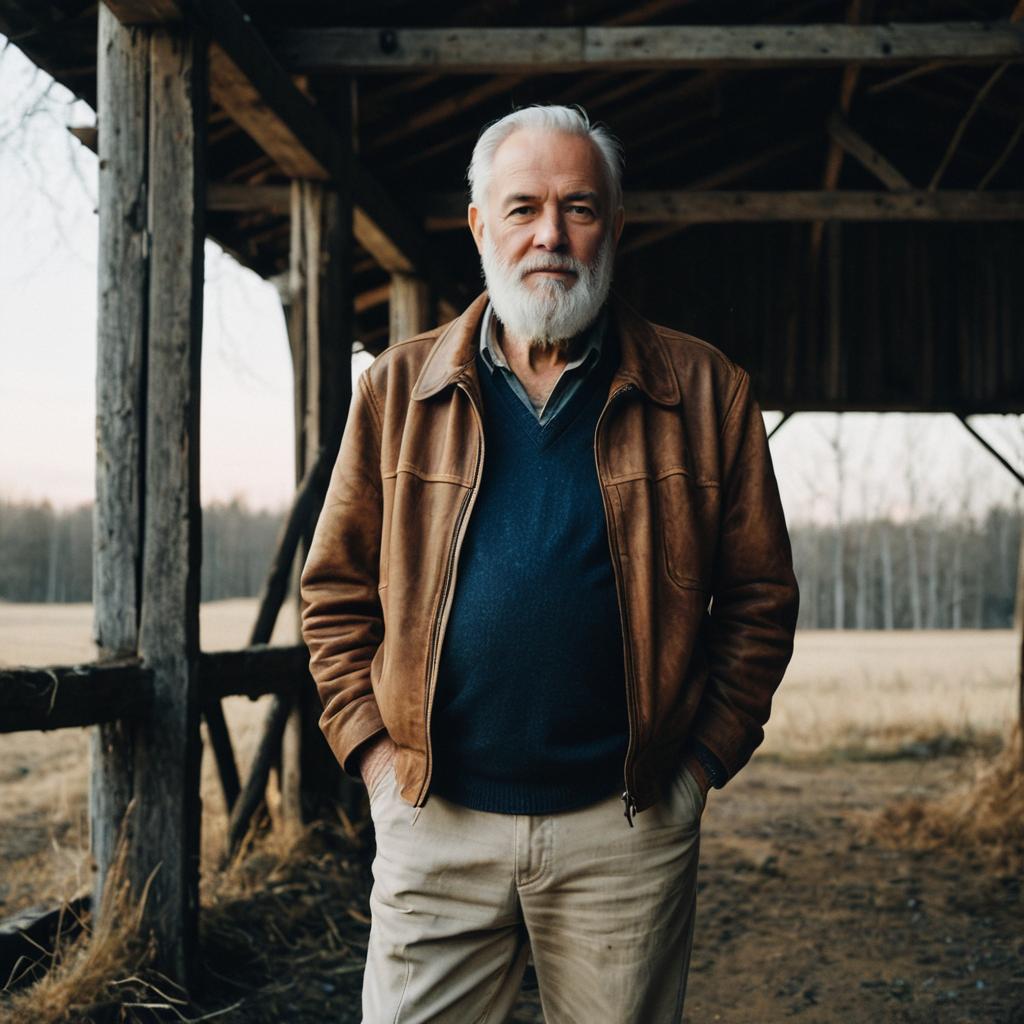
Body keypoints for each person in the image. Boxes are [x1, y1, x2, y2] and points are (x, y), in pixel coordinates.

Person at [300, 104, 799, 1023]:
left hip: (626, 831)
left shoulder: (705, 392)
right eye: (523, 207)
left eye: (579, 207)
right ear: (480, 225)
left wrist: (694, 773)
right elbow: (333, 593)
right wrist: (374, 763)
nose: (551, 235)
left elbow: (761, 600)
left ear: (614, 225)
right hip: (432, 824)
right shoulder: (397, 391)